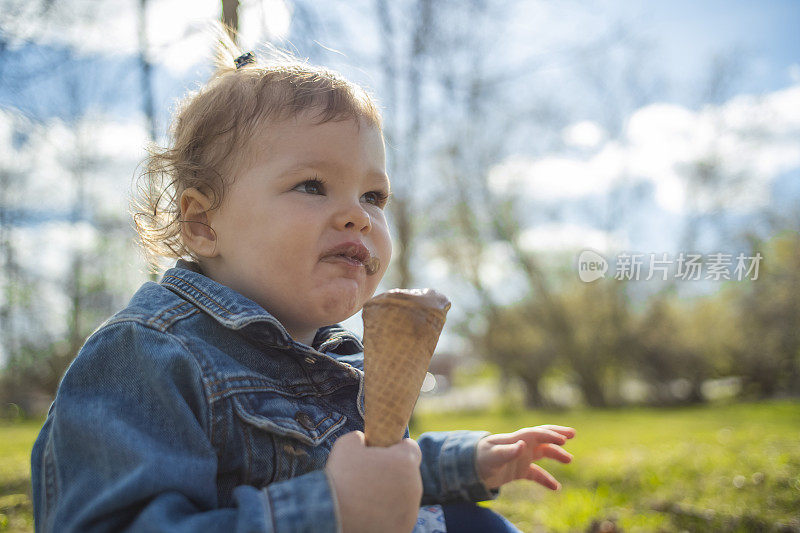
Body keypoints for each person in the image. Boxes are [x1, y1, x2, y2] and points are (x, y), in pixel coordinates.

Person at [30, 30, 575, 533]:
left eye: (373, 196)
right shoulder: (146, 357)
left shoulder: (340, 354)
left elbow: (373, 465)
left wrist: (462, 463)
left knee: (479, 525)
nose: (357, 216)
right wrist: (332, 510)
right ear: (202, 223)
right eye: (312, 185)